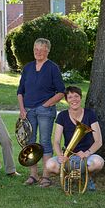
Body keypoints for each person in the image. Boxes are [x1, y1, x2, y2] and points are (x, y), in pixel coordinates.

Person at [17, 38, 65, 187]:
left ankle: (46, 176)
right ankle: (33, 175)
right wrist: (22, 108)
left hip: (45, 111)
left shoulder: (52, 68)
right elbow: (20, 91)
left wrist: (46, 104)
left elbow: (61, 92)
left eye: (41, 49)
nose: (38, 52)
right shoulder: (28, 68)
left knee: (44, 142)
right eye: (35, 49)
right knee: (30, 143)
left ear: (47, 51)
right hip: (28, 111)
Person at [45, 86, 104, 189]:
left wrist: (87, 153)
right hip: (69, 157)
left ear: (80, 98)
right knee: (50, 165)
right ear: (67, 100)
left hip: (86, 156)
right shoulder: (62, 116)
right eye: (70, 97)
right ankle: (67, 177)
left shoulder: (90, 114)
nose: (74, 99)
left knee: (99, 162)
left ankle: (86, 176)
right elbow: (56, 141)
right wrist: (61, 156)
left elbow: (98, 141)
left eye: (76, 96)